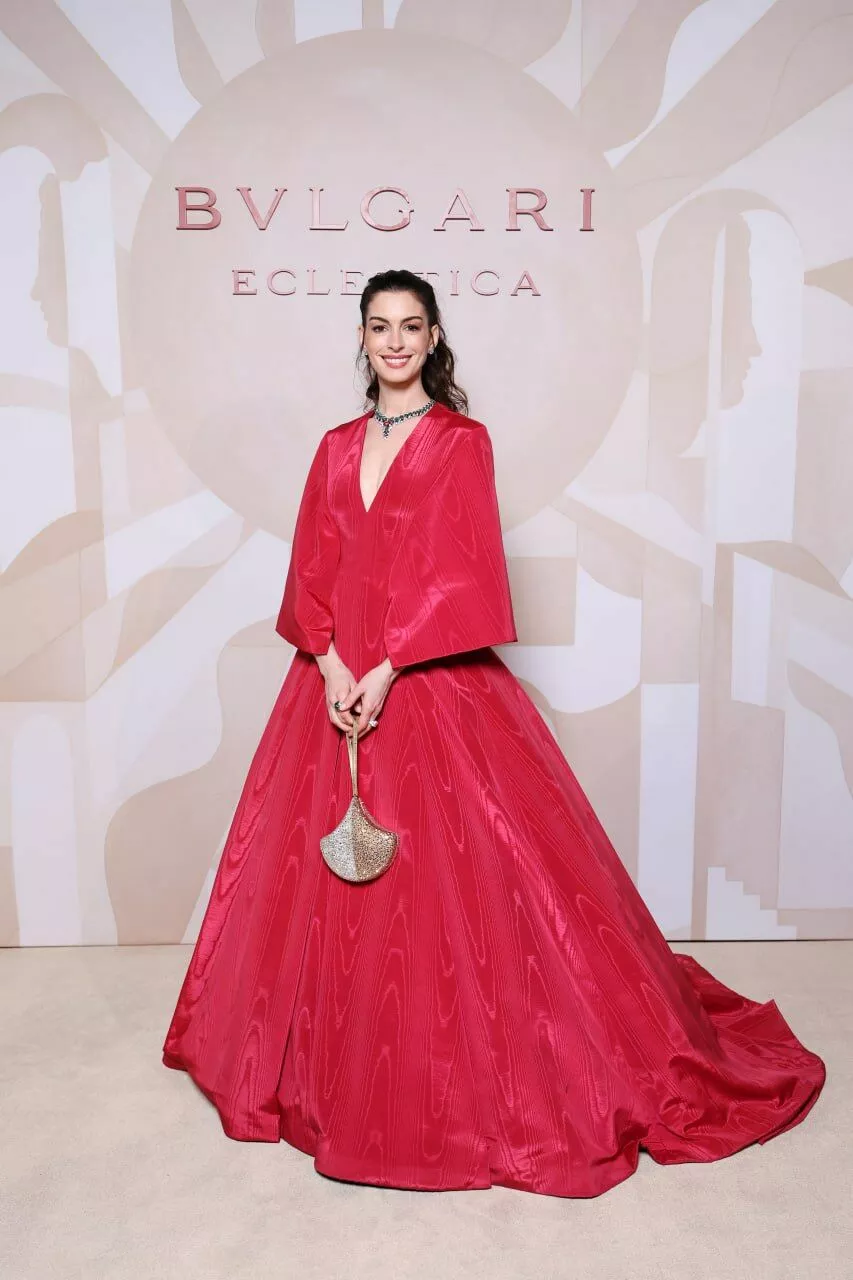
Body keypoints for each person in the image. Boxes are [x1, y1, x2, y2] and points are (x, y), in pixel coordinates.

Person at [163, 268, 826, 1199]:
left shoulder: (461, 442)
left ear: (434, 338)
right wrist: (330, 660)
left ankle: (435, 1079)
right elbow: (313, 562)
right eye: (379, 326)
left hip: (427, 682)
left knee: (463, 888)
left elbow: (465, 573)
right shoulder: (333, 446)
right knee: (320, 884)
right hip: (334, 679)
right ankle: (328, 1074)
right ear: (361, 339)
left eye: (411, 326)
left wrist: (388, 666)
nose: (395, 341)